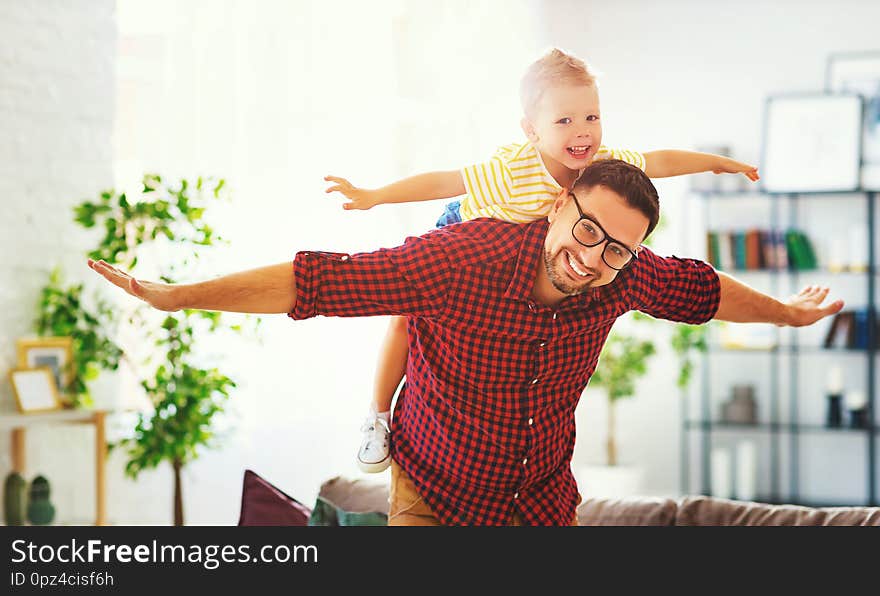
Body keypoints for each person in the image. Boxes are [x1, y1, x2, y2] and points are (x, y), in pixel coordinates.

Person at [88, 159, 842, 526]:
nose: (594, 255)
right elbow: (319, 280)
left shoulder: (625, 277)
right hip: (434, 494)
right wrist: (180, 297)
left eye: (617, 247)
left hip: (541, 502)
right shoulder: (465, 258)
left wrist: (786, 312)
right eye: (587, 229)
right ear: (555, 206)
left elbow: (705, 291)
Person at [324, 47, 760, 474]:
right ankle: (377, 416)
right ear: (532, 130)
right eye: (564, 121)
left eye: (592, 117)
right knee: (405, 317)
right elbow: (444, 182)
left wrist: (716, 164)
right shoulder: (512, 169)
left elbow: (660, 161)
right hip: (461, 228)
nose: (583, 131)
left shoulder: (602, 166)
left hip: (530, 259)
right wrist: (375, 196)